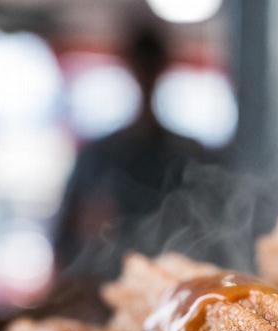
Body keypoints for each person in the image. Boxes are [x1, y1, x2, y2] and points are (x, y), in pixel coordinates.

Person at [52, 26, 206, 287]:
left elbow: (209, 228)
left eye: (150, 65)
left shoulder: (189, 155)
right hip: (103, 287)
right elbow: (65, 237)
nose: (145, 75)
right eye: (141, 65)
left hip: (172, 289)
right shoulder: (99, 155)